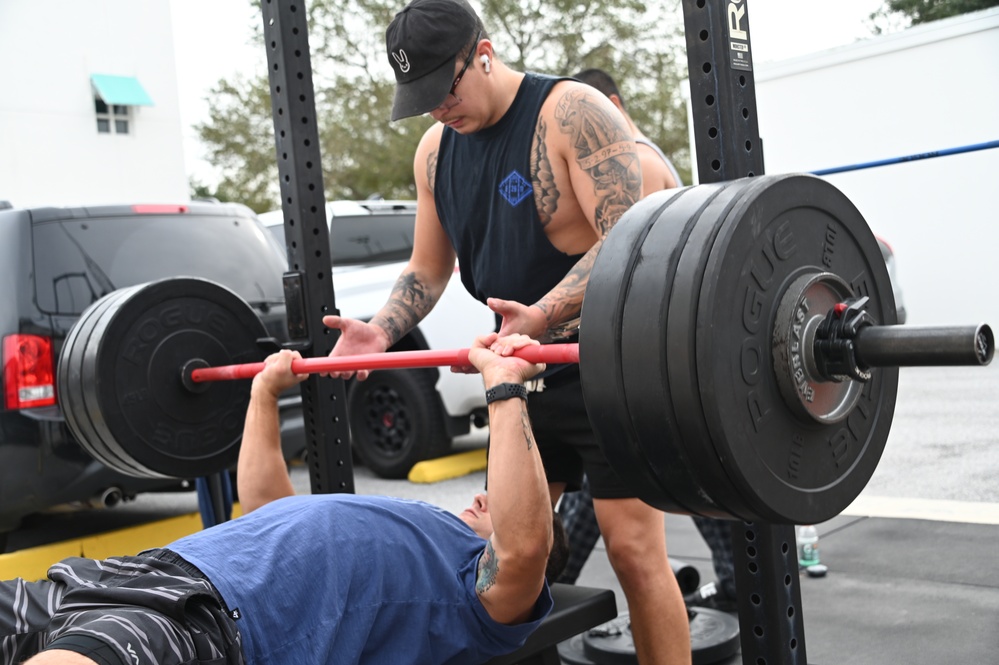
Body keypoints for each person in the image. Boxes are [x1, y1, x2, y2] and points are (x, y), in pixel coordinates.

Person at [322, 1, 691, 662]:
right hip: (518, 375)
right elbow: (428, 268)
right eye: (423, 97)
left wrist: (543, 315)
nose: (439, 107)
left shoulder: (569, 113)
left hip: (605, 366)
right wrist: (380, 331)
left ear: (483, 55)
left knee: (633, 550)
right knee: (503, 556)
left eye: (447, 88)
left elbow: (630, 241)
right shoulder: (434, 151)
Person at [1, 333, 568, 665]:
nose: (484, 496)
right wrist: (263, 393)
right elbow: (265, 502)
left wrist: (504, 382)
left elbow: (523, 546)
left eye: (500, 504)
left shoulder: (475, 591)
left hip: (206, 620)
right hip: (130, 574)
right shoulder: (422, 530)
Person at [556, 68, 739, 613]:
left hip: (648, 358)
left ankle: (536, 592)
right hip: (647, 354)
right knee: (666, 479)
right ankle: (736, 583)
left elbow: (617, 267)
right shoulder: (637, 158)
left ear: (607, 105)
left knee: (674, 484)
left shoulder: (633, 158)